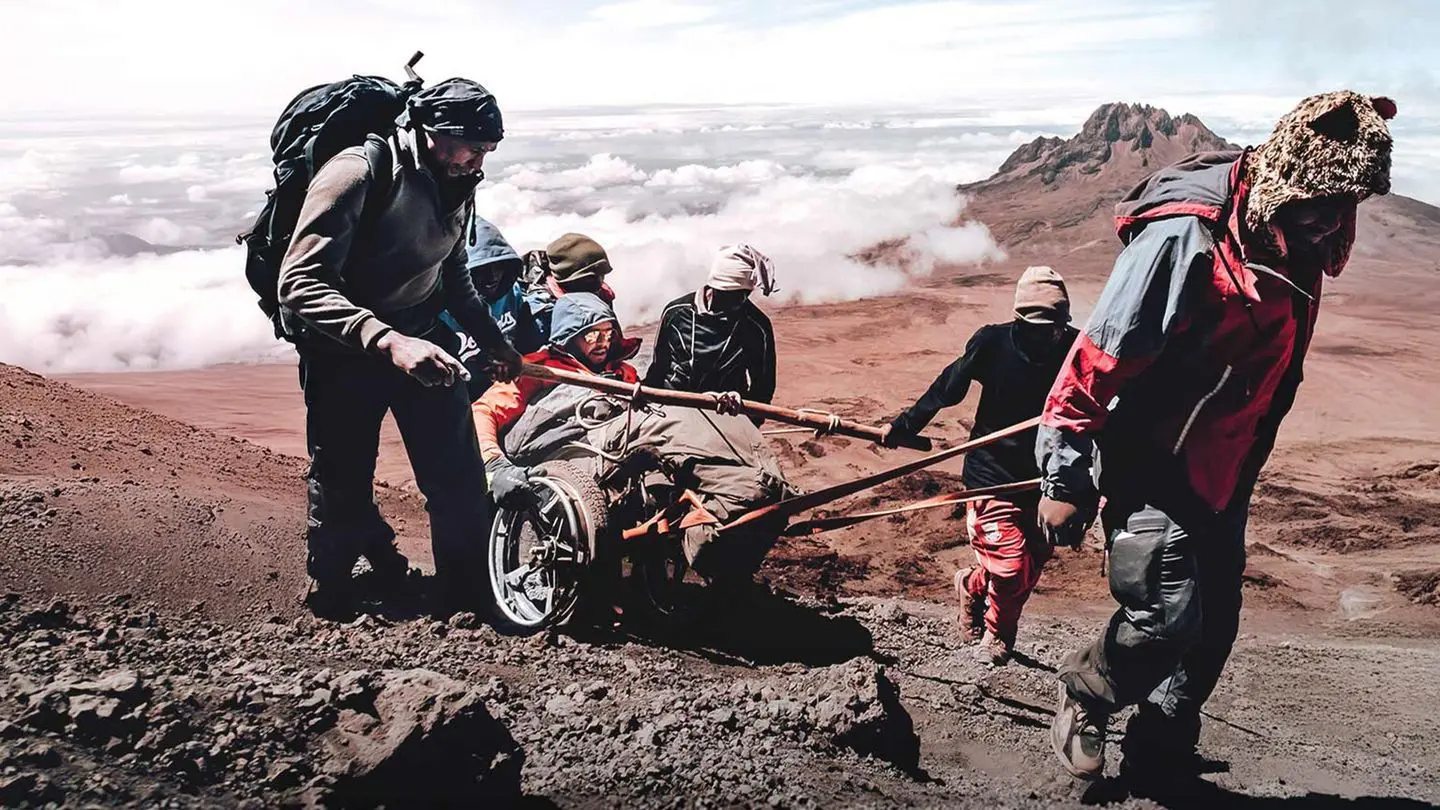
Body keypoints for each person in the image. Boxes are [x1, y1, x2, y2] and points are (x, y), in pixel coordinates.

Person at [1037, 91, 1397, 788]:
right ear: (1290, 178)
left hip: (1225, 464)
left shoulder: (1302, 237)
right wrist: (1063, 475)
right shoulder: (1184, 238)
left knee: (1214, 625)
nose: (1333, 221)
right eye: (1323, 202)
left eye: (1346, 205)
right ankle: (1087, 691)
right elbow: (1099, 356)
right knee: (1165, 614)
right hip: (1153, 456)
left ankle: (1161, 744)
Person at [276, 77, 524, 619]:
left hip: (422, 341)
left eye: (489, 151)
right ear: (432, 131)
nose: (481, 161)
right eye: (474, 147)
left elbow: (451, 269)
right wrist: (386, 340)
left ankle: (469, 597)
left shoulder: (457, 176)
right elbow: (298, 282)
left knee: (458, 477)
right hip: (344, 352)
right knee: (342, 478)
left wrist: (492, 339)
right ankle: (334, 597)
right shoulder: (358, 172)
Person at [474, 292, 789, 594]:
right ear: (568, 336)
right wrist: (494, 463)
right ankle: (734, 504)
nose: (603, 341)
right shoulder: (536, 368)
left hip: (624, 449)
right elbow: (483, 411)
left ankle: (754, 497)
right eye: (591, 334)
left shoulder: (621, 374)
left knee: (719, 420)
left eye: (608, 332)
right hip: (573, 451)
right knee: (670, 422)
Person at [882, 267, 1077, 665]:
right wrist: (905, 426)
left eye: (1054, 327)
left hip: (1044, 479)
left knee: (1032, 564)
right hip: (991, 475)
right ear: (1020, 319)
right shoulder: (993, 342)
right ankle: (998, 637)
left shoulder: (1076, 349)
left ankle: (971, 585)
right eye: (1038, 327)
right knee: (1010, 567)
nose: (1047, 336)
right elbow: (949, 386)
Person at [643, 244, 778, 417]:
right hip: (672, 412)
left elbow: (763, 387)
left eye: (745, 295)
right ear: (715, 286)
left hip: (724, 419)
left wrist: (748, 424)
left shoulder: (756, 326)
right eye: (732, 295)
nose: (740, 301)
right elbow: (658, 367)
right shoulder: (676, 313)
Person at [440, 213, 546, 401]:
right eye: (480, 270)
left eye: (499, 266)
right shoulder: (439, 310)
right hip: (458, 400)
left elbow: (523, 344)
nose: (492, 277)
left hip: (503, 395)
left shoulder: (512, 294)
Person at [520, 233, 619, 338]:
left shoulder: (602, 294)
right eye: (590, 278)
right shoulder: (541, 310)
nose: (599, 282)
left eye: (601, 275)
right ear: (567, 280)